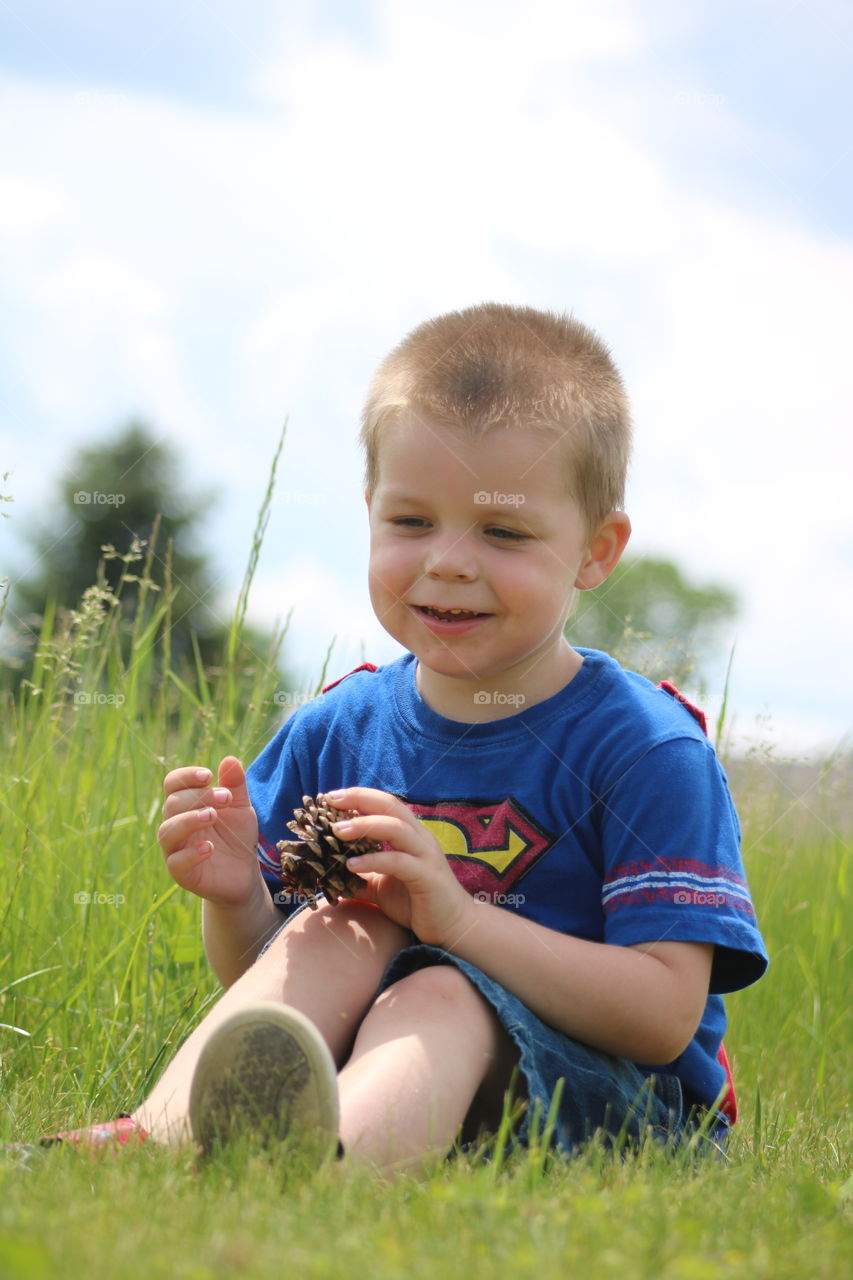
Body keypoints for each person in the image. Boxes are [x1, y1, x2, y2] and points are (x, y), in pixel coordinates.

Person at [40, 303, 767, 1173]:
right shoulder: (335, 730)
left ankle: (318, 1177)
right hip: (383, 1068)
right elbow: (272, 997)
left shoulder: (643, 748)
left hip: (613, 1101)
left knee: (442, 988)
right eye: (411, 522)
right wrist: (236, 901)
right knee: (336, 929)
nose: (447, 561)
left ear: (595, 550)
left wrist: (457, 921)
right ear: (369, 512)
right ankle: (154, 1144)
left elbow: (661, 1017)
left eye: (502, 531)